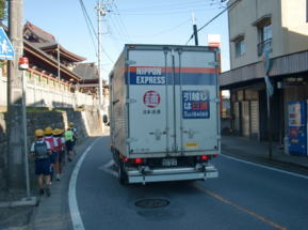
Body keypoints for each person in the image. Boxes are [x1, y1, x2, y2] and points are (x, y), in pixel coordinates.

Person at [30, 129, 52, 197]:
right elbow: (49, 152)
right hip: (46, 160)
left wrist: (34, 156)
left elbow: (32, 154)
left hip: (38, 161)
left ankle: (41, 189)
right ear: (43, 135)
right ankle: (47, 186)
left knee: (39, 176)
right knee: (47, 175)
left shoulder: (34, 144)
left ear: (36, 136)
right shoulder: (46, 143)